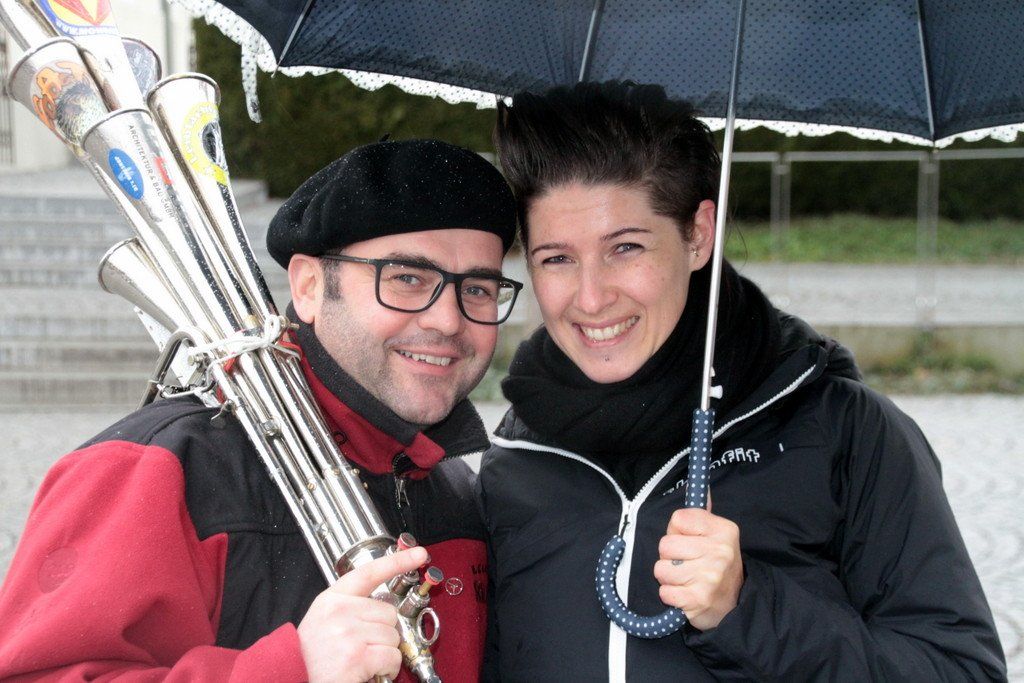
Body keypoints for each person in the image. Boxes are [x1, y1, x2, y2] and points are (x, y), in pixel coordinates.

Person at [478, 82, 1007, 681]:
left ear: (698, 235)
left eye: (625, 248)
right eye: (556, 258)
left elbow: (961, 671)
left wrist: (748, 609)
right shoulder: (516, 457)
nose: (592, 297)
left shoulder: (846, 431)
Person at [0, 139, 522, 682]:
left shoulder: (458, 491)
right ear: (310, 287)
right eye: (407, 279)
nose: (447, 320)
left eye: (478, 289)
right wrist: (293, 670)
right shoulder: (156, 470)